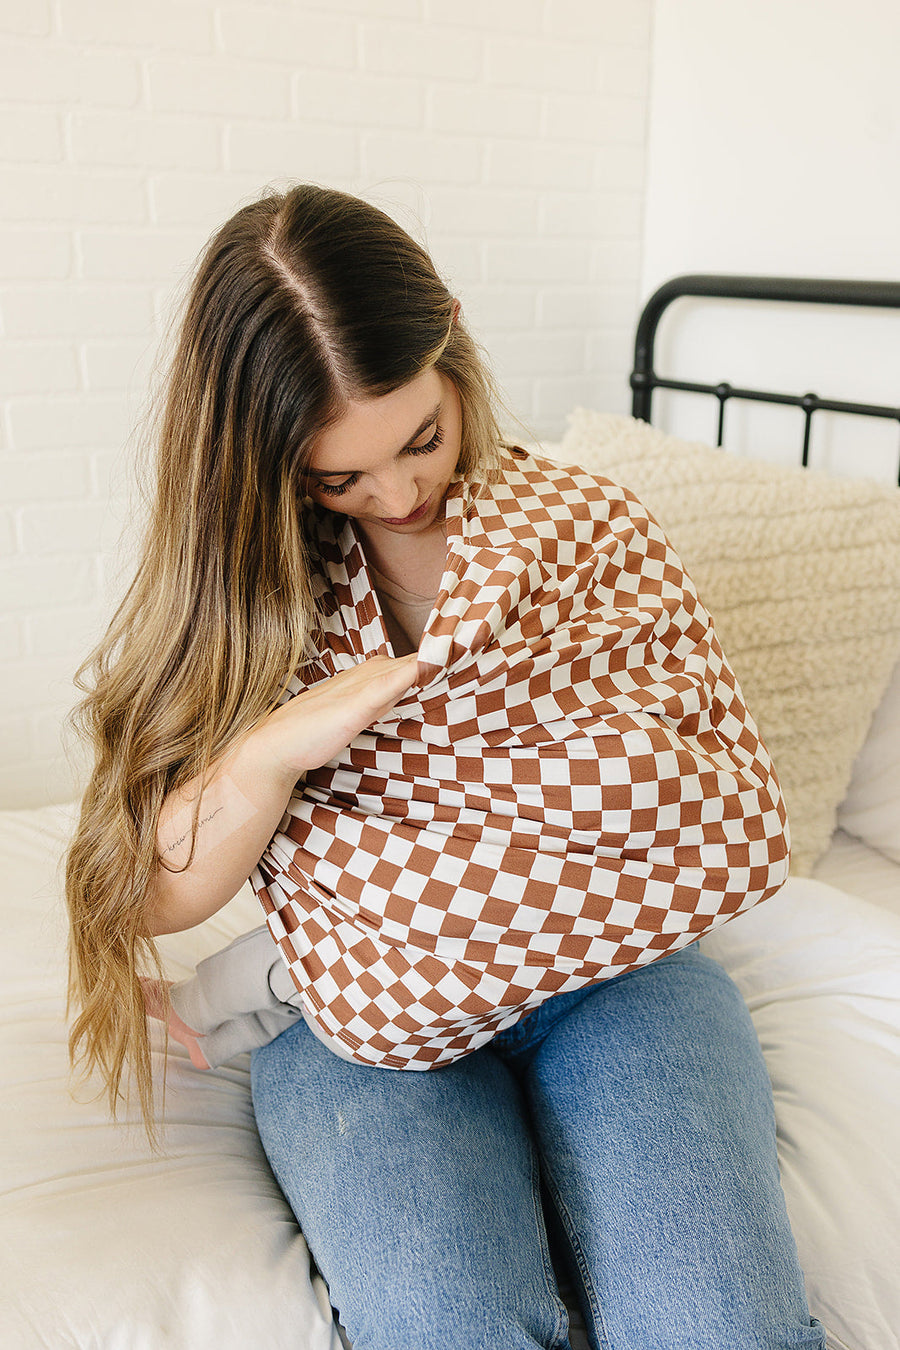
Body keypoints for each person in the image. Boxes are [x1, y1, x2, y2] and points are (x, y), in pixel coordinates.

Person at [66, 183, 826, 1350]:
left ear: (452, 339)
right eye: (341, 478)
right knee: (449, 1325)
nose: (403, 493)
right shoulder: (253, 591)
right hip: (363, 1010)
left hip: (616, 970)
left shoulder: (590, 529)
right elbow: (151, 895)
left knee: (718, 1326)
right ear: (267, 461)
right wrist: (276, 749)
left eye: (421, 437)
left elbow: (705, 790)